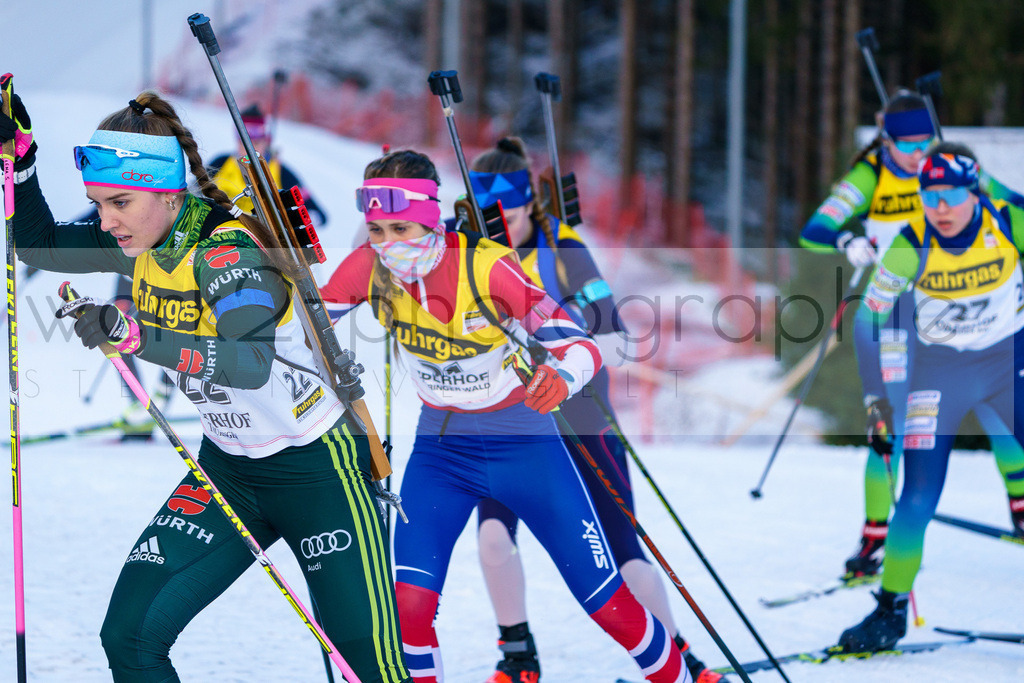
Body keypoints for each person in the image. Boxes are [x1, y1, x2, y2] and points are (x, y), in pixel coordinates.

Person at [1, 90, 410, 683]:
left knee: (364, 668)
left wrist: (139, 338)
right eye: (97, 203)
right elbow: (36, 244)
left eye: (120, 202)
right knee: (130, 636)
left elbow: (250, 364)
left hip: (320, 469)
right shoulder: (139, 241)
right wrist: (21, 159)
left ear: (168, 192)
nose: (106, 220)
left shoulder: (227, 251)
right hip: (229, 471)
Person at [321, 149, 689, 683]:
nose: (386, 246)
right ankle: (515, 651)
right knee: (408, 612)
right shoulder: (368, 269)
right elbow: (298, 332)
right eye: (375, 231)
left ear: (429, 217)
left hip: (526, 448)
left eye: (399, 228)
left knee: (609, 607)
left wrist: (562, 376)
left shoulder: (485, 265)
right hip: (441, 453)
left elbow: (582, 343)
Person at [466, 138, 725, 683]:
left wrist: (560, 354)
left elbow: (611, 329)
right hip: (509, 419)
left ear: (529, 205)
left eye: (508, 216)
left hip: (579, 411)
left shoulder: (563, 246)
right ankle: (518, 656)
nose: (498, 228)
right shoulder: (464, 247)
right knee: (491, 538)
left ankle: (680, 656)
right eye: (487, 217)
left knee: (623, 546)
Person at [799, 92, 1024, 580]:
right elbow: (813, 230)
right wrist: (848, 239)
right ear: (887, 141)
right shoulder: (870, 177)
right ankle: (874, 538)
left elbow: (1013, 204)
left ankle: (1019, 499)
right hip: (898, 308)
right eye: (909, 144)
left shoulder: (950, 170)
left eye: (928, 141)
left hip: (955, 310)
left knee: (995, 402)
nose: (920, 153)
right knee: (890, 427)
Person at [838, 143, 1024, 652]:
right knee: (917, 496)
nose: (940, 207)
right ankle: (888, 613)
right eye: (929, 195)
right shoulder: (910, 241)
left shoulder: (1007, 220)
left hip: (1010, 363)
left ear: (974, 190)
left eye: (951, 195)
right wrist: (877, 403)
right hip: (942, 372)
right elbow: (868, 319)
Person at [208, 103, 327, 226]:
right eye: (244, 142)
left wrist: (289, 220)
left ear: (266, 141)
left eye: (257, 142)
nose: (250, 149)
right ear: (237, 140)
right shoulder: (220, 163)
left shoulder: (282, 173)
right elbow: (192, 195)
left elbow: (319, 215)